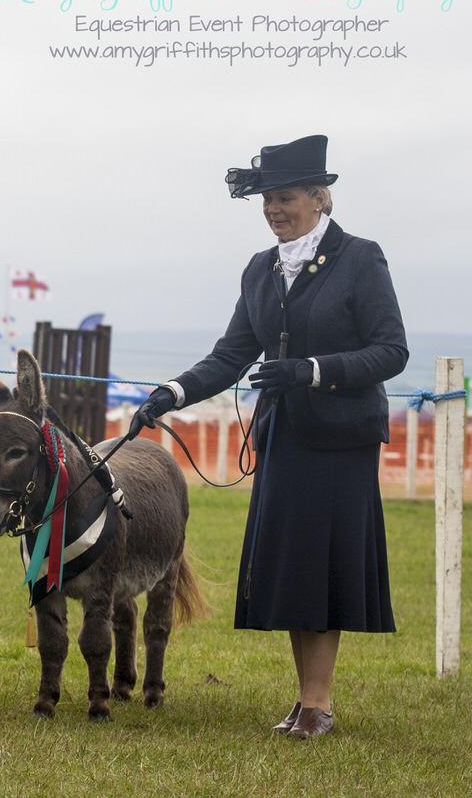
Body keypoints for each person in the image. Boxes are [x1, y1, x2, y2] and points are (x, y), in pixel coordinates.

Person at [128, 134, 407, 739]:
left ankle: (318, 703)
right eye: (266, 201)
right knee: (293, 570)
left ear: (318, 197)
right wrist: (171, 394)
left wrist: (313, 370)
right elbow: (230, 354)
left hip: (340, 440)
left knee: (325, 569)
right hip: (284, 439)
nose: (273, 209)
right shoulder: (261, 269)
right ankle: (306, 701)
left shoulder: (361, 258)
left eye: (283, 198)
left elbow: (391, 351)